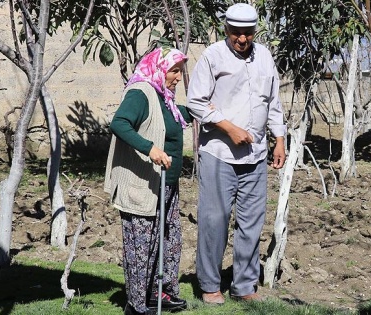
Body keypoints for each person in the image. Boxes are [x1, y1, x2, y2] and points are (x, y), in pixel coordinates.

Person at [186, 3, 286, 304]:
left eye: (248, 33)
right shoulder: (212, 56)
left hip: (255, 154)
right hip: (219, 153)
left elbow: (273, 102)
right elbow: (196, 102)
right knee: (214, 219)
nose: (242, 39)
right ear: (226, 30)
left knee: (252, 221)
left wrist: (279, 139)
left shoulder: (265, 56)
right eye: (236, 33)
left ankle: (244, 286)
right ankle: (209, 284)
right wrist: (228, 128)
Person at [104, 46, 190, 315]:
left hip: (166, 183)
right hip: (142, 184)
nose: (177, 77)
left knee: (168, 240)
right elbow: (119, 123)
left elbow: (175, 118)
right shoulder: (141, 92)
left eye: (179, 71)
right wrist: (150, 149)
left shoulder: (164, 97)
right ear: (160, 68)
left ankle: (158, 293)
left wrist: (204, 110)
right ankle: (136, 305)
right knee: (141, 246)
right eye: (174, 71)